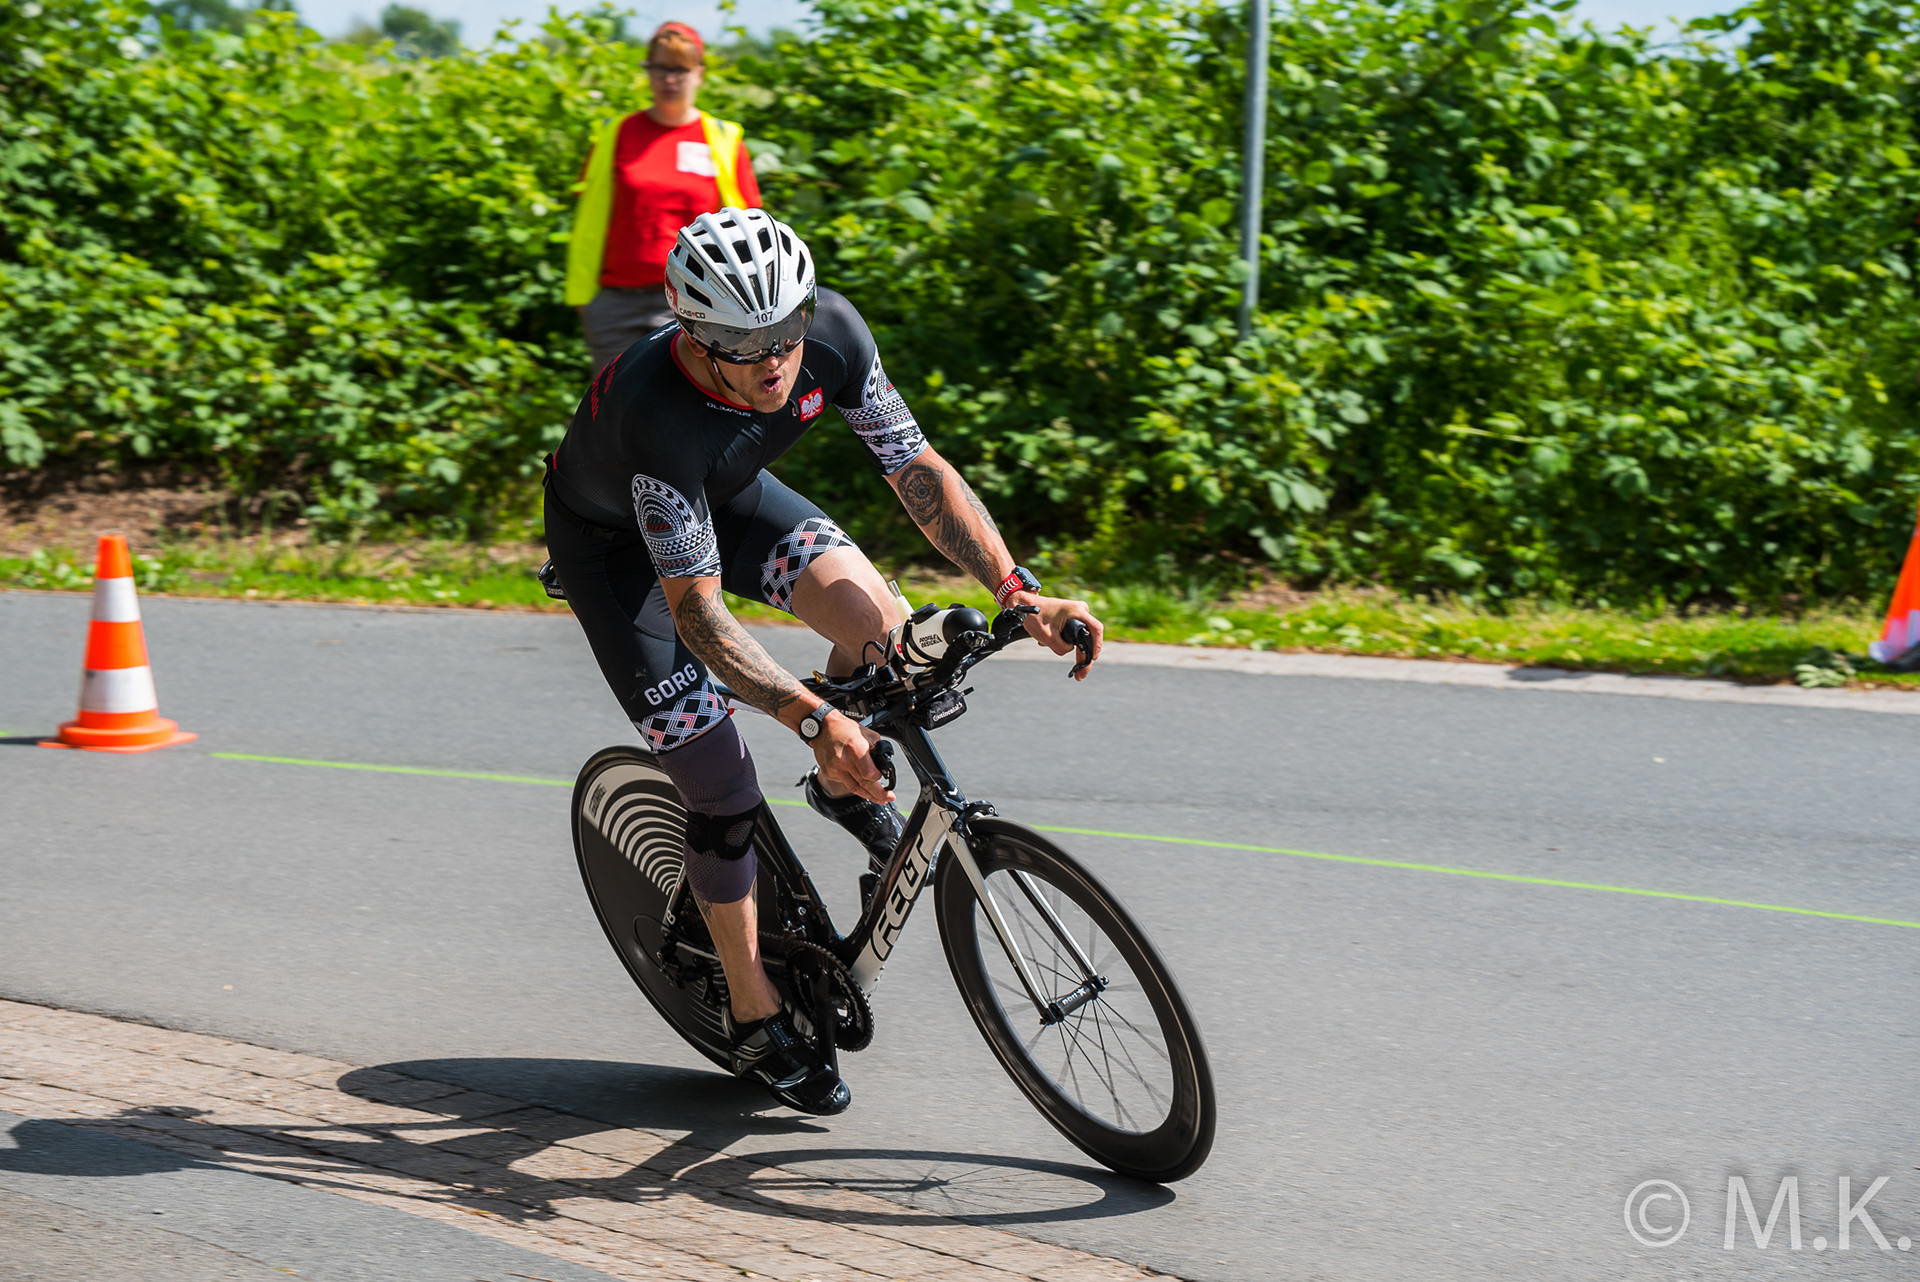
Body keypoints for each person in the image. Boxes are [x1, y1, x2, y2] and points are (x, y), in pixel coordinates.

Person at [543, 208, 1104, 1115]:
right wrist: (813, 719)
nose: (772, 358)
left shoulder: (834, 330)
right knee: (720, 785)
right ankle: (753, 1011)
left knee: (883, 625)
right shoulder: (658, 414)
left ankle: (842, 790)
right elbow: (701, 618)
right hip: (619, 555)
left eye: (784, 329)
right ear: (695, 333)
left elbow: (915, 467)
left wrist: (1018, 592)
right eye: (740, 341)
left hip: (728, 497)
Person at [564, 22, 762, 374]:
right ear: (648, 71)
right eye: (660, 68)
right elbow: (590, 218)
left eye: (680, 69)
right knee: (616, 406)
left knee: (687, 405)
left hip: (696, 304)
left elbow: (748, 231)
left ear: (699, 73)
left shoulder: (723, 139)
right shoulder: (616, 133)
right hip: (615, 304)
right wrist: (585, 298)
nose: (669, 79)